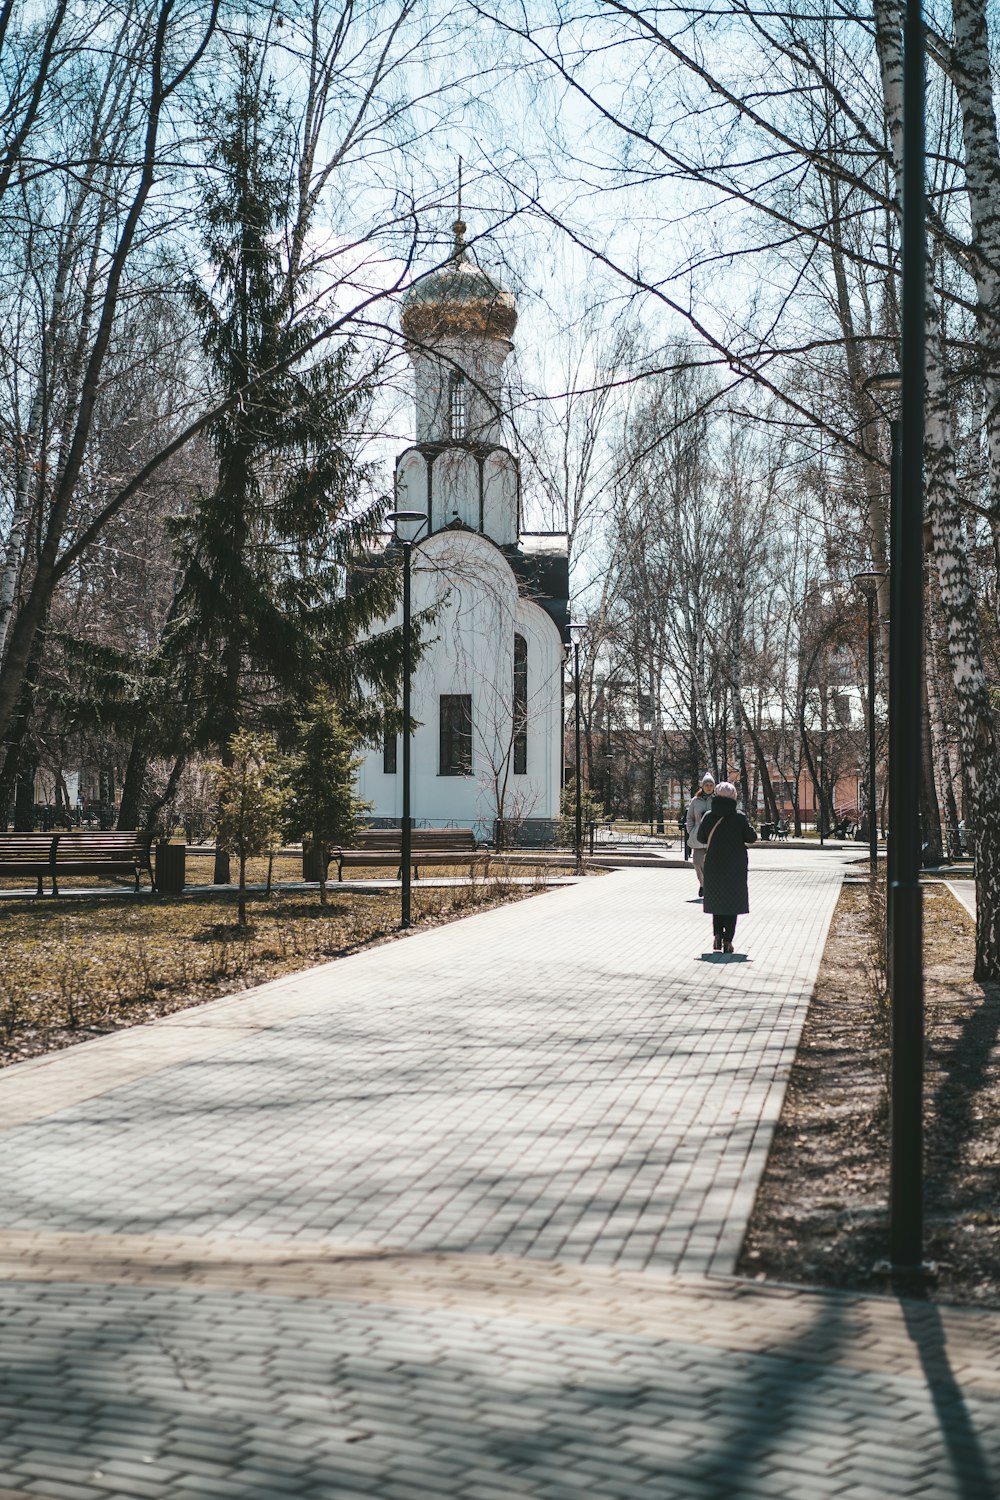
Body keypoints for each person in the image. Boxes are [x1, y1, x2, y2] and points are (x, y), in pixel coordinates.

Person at [697, 780, 758, 953]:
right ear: (734, 797)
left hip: (714, 864)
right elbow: (751, 837)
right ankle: (728, 941)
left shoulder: (708, 816)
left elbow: (701, 838)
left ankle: (717, 935)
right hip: (735, 866)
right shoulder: (739, 817)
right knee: (732, 903)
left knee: (717, 901)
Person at [685, 774, 716, 898]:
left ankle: (710, 886)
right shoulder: (695, 801)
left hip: (713, 836)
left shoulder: (717, 799)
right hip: (698, 836)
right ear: (702, 786)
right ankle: (703, 884)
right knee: (697, 862)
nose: (708, 787)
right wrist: (691, 831)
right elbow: (690, 817)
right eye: (706, 785)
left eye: (711, 785)